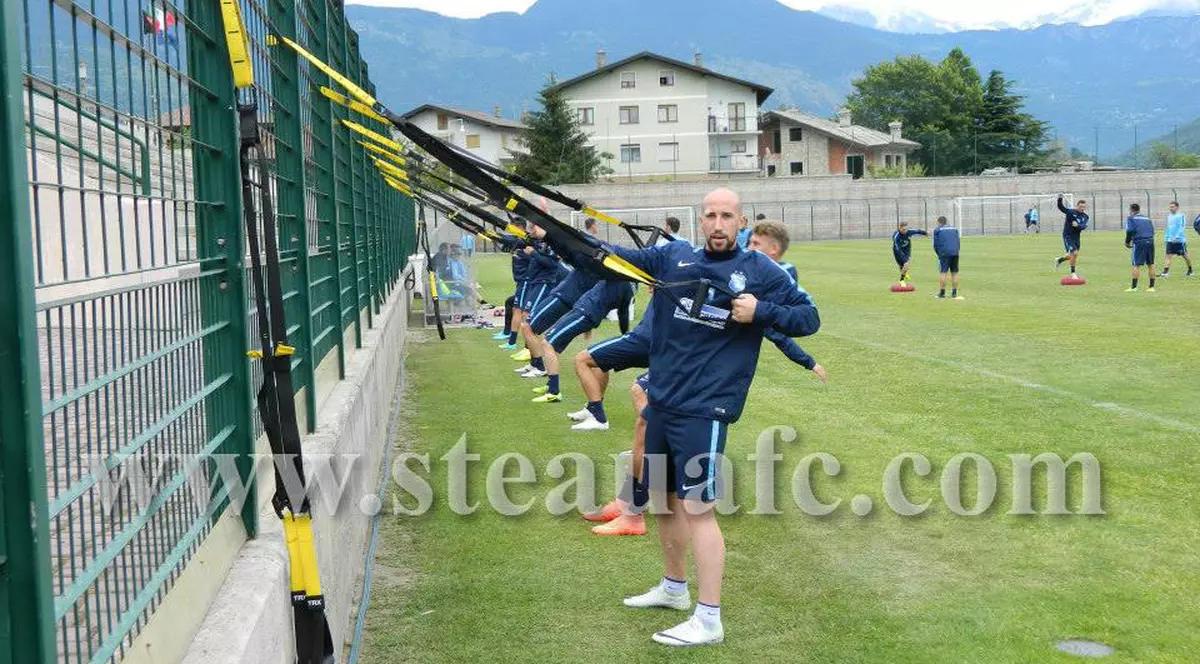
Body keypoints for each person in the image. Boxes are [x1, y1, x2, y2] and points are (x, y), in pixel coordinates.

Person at [607, 187, 820, 647]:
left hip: (706, 409)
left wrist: (761, 310)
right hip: (662, 398)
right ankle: (673, 588)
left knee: (698, 509)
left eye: (727, 216)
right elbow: (612, 257)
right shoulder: (677, 259)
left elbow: (809, 318)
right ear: (700, 221)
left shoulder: (761, 270)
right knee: (664, 499)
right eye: (710, 215)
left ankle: (708, 618)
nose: (718, 223)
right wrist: (551, 237)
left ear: (741, 223)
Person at [529, 280, 635, 402]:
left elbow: (623, 313)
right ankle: (550, 385)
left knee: (548, 344)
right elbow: (623, 314)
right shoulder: (626, 286)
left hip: (585, 314)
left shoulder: (618, 278)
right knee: (551, 342)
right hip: (584, 312)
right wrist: (625, 334)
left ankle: (553, 391)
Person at [749, 221, 827, 382]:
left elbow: (776, 335)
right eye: (750, 242)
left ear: (774, 249)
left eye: (755, 244)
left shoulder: (775, 285)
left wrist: (809, 362)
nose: (749, 248)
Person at [1124, 203, 1157, 292]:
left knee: (1136, 264)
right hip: (1150, 240)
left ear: (1131, 210)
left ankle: (1134, 287)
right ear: (1139, 210)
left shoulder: (1130, 218)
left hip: (1139, 242)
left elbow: (1130, 230)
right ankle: (1151, 287)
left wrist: (1127, 242)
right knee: (1151, 263)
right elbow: (1153, 230)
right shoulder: (1147, 218)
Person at [1054, 195, 1089, 277]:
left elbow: (1083, 226)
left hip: (1076, 238)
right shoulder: (1070, 212)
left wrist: (1077, 226)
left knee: (1071, 256)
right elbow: (1061, 207)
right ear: (1077, 206)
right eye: (1081, 206)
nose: (1082, 208)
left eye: (1084, 207)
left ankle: (1059, 260)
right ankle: (1073, 273)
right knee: (1075, 253)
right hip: (1068, 236)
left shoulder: (1085, 216)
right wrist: (1060, 198)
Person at [933, 216, 962, 300]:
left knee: (943, 272)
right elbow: (958, 242)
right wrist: (956, 251)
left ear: (939, 222)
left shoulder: (937, 230)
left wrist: (939, 255)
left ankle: (942, 293)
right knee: (955, 272)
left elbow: (935, 245)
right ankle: (954, 293)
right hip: (955, 252)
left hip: (944, 253)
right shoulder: (954, 229)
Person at [1161, 201, 1193, 277]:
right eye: (1170, 207)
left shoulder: (1181, 216)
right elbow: (1168, 227)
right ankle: (1165, 272)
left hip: (1179, 240)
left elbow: (1182, 227)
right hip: (1170, 240)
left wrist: (1177, 236)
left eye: (1172, 207)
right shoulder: (1169, 216)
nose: (1170, 208)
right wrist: (1166, 237)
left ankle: (1190, 270)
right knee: (1168, 255)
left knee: (1185, 256)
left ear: (1177, 207)